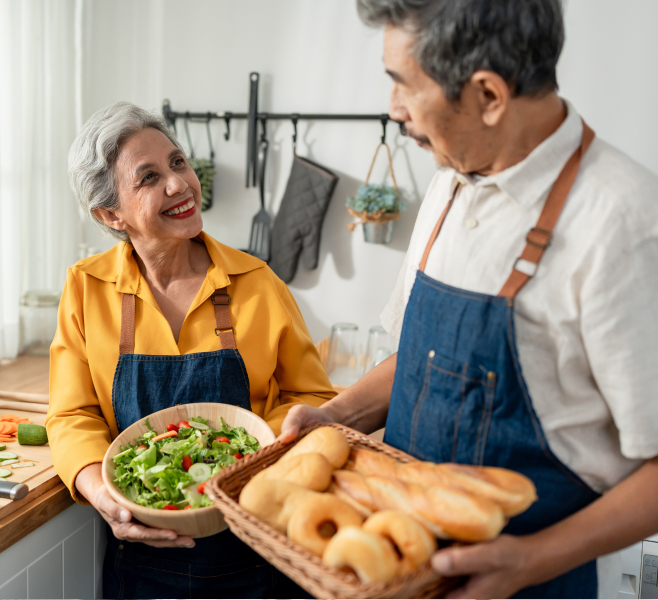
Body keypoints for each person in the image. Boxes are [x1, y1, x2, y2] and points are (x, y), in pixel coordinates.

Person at [280, 0, 658, 597]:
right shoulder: (447, 187)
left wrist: (531, 561)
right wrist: (335, 415)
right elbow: (422, 360)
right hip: (396, 574)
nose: (394, 111)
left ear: (487, 95)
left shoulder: (626, 223)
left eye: (402, 84)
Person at [46, 101, 335, 599]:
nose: (179, 184)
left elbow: (311, 399)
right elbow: (73, 415)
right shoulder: (86, 288)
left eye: (178, 163)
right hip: (140, 555)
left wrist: (253, 459)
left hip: (256, 543)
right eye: (149, 177)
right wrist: (104, 495)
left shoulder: (256, 281)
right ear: (110, 212)